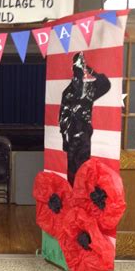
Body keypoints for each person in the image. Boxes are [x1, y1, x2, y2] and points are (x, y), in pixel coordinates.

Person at [59, 52, 111, 185]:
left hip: (81, 134)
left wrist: (88, 69)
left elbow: (105, 83)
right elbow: (63, 117)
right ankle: (76, 196)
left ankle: (80, 196)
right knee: (75, 169)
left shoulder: (85, 89)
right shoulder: (74, 91)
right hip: (75, 134)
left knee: (81, 169)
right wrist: (64, 138)